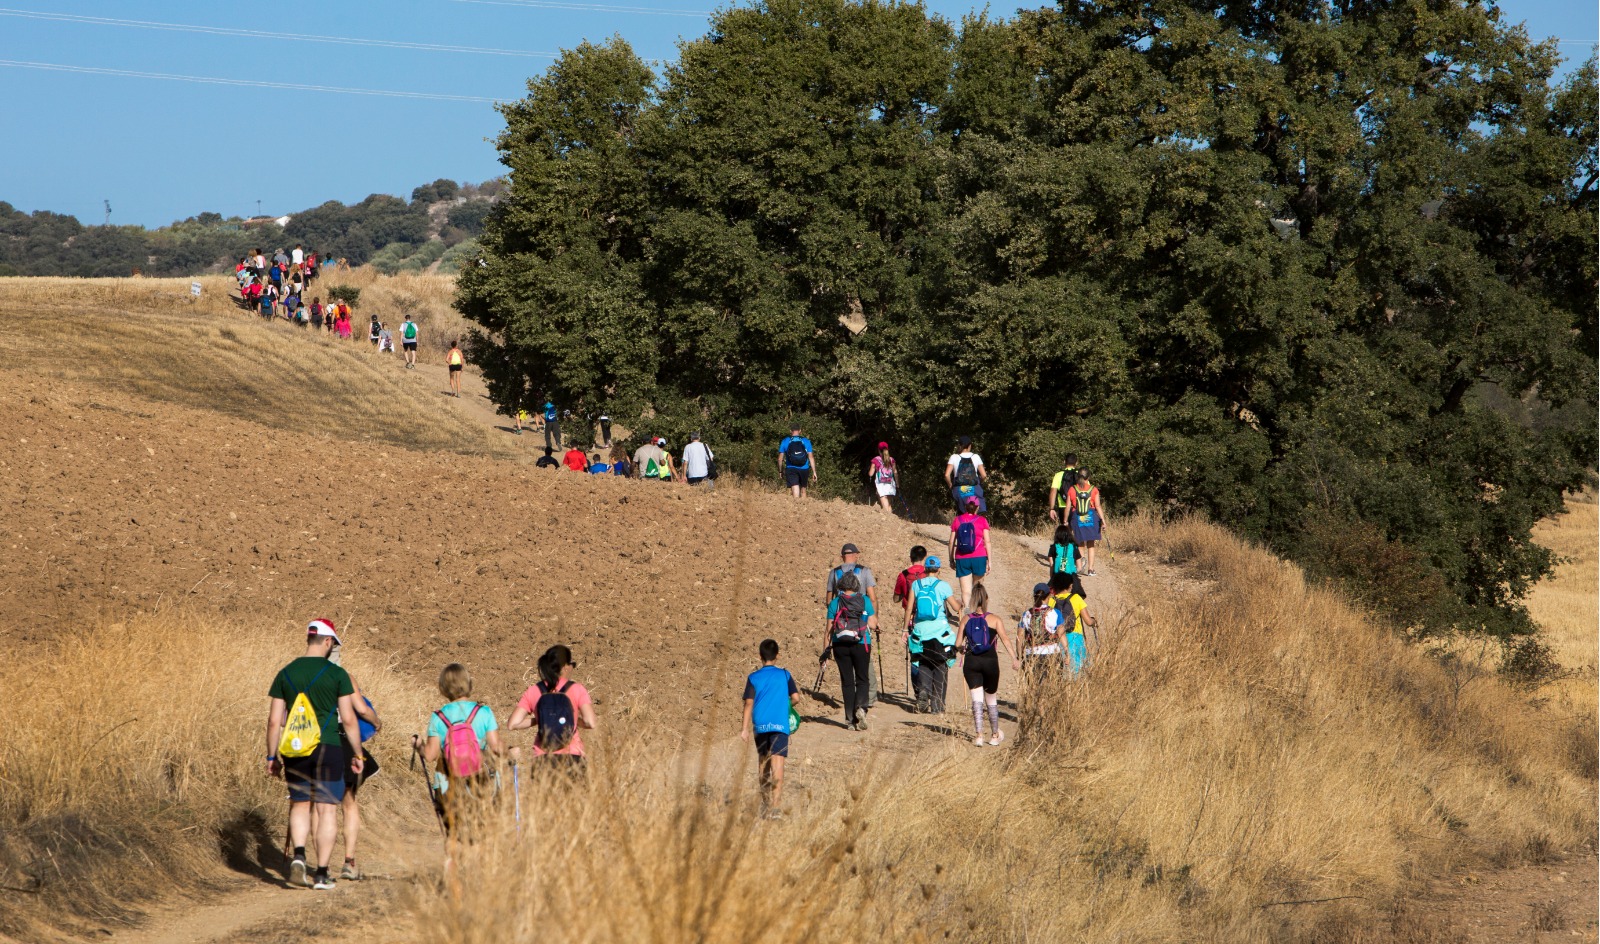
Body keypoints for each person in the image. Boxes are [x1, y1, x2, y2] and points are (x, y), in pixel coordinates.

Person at [265, 619, 364, 890]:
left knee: (300, 804)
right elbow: (349, 719)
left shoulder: (285, 673)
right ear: (328, 641)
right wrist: (357, 753)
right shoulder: (337, 675)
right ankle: (321, 874)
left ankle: (299, 855)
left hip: (295, 749)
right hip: (329, 747)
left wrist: (271, 757)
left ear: (310, 638)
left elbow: (275, 721)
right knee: (326, 809)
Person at [418, 663, 506, 833]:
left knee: (454, 836)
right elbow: (496, 748)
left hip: (448, 783)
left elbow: (430, 755)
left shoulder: (438, 716)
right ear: (468, 683)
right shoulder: (484, 711)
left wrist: (418, 746)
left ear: (443, 688)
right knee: (485, 832)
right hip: (481, 779)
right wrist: (510, 752)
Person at [507, 645, 595, 773]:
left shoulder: (534, 690)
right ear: (565, 666)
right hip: (573, 757)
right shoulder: (577, 689)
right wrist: (575, 720)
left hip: (543, 759)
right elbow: (590, 722)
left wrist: (538, 719)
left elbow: (512, 724)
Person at [740, 639, 801, 817]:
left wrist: (744, 729)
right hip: (779, 724)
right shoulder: (784, 675)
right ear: (778, 655)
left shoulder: (753, 677)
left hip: (760, 725)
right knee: (778, 763)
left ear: (760, 656)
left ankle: (765, 802)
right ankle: (775, 807)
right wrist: (785, 706)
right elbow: (796, 698)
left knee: (763, 763)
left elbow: (748, 703)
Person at [955, 585, 1019, 746]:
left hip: (971, 662)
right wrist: (1014, 658)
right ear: (987, 599)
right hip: (990, 661)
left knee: (976, 699)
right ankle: (995, 735)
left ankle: (978, 735)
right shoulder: (995, 619)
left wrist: (962, 649)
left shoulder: (966, 619)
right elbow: (1005, 639)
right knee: (990, 697)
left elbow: (957, 644)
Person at [824, 543, 880, 716]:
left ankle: (849, 717)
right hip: (862, 628)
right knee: (864, 670)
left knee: (847, 680)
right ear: (856, 554)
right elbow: (873, 596)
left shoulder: (833, 573)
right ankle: (866, 702)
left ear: (842, 556)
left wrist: (838, 612)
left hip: (840, 633)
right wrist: (874, 617)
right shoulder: (864, 571)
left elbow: (828, 599)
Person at [338, 668, 382, 881]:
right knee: (349, 803)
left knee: (318, 806)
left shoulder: (298, 673)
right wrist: (376, 722)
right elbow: (361, 709)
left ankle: (314, 865)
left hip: (311, 743)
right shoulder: (343, 676)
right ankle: (349, 861)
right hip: (341, 741)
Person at [906, 557, 958, 714]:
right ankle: (937, 706)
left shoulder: (916, 584)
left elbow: (909, 609)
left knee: (923, 663)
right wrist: (961, 604)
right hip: (940, 634)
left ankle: (923, 690)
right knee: (940, 665)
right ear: (939, 569)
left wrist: (904, 629)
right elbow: (955, 607)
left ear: (925, 569)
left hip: (921, 632)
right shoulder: (943, 586)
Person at [1045, 571, 1095, 675]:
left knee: (1060, 671)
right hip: (1075, 638)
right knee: (1078, 671)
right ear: (1070, 585)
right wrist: (1094, 621)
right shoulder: (1076, 598)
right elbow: (1088, 621)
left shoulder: (1051, 601)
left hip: (1056, 638)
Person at [948, 497, 991, 612]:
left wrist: (951, 559)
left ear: (965, 507)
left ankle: (967, 612)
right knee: (978, 588)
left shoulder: (957, 520)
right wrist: (989, 561)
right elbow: (987, 541)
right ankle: (978, 612)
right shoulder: (982, 520)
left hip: (962, 558)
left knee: (966, 591)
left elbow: (951, 541)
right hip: (979, 557)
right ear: (977, 507)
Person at [1067, 470, 1107, 577]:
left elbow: (1068, 507)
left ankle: (1080, 567)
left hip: (1077, 517)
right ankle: (1091, 569)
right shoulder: (1093, 489)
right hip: (1092, 517)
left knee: (1080, 542)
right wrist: (1103, 520)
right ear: (1088, 477)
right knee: (1091, 544)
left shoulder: (1072, 489)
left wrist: (1066, 520)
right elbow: (1098, 506)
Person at [945, 435, 988, 513]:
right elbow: (984, 475)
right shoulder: (976, 456)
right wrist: (980, 483)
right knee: (976, 512)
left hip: (959, 489)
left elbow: (947, 475)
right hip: (974, 488)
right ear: (970, 445)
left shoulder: (954, 457)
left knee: (962, 512)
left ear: (959, 445)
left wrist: (951, 485)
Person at [777, 426, 817, 498]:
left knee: (795, 488)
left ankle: (796, 506)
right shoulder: (806, 441)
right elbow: (811, 457)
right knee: (803, 490)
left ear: (790, 430)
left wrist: (780, 471)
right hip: (804, 468)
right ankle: (803, 506)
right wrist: (814, 472)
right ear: (800, 430)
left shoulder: (785, 441)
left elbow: (780, 459)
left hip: (791, 468)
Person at [1046, 453, 1080, 526]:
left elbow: (1053, 492)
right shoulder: (1081, 475)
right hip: (1079, 507)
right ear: (1076, 463)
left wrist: (1052, 508)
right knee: (1078, 532)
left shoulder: (1058, 475)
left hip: (1063, 507)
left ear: (1064, 462)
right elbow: (1089, 492)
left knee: (1066, 530)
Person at [868, 442, 899, 513]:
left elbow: (871, 474)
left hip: (881, 485)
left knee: (885, 507)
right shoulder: (891, 460)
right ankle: (891, 520)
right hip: (890, 484)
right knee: (888, 505)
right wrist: (897, 484)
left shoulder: (876, 459)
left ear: (879, 450)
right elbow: (895, 472)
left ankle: (888, 521)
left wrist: (870, 472)